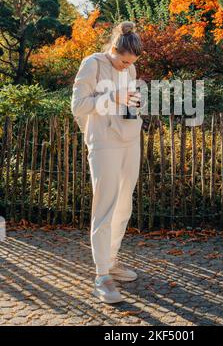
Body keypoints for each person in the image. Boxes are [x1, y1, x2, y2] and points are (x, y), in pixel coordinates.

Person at [71, 21, 143, 303]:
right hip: (103, 142)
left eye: (131, 63)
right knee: (106, 206)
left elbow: (125, 100)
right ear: (113, 49)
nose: (127, 67)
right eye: (124, 61)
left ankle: (111, 260)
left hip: (129, 138)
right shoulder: (92, 64)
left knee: (125, 204)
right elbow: (78, 106)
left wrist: (133, 102)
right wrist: (114, 97)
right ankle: (102, 276)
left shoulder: (131, 69)